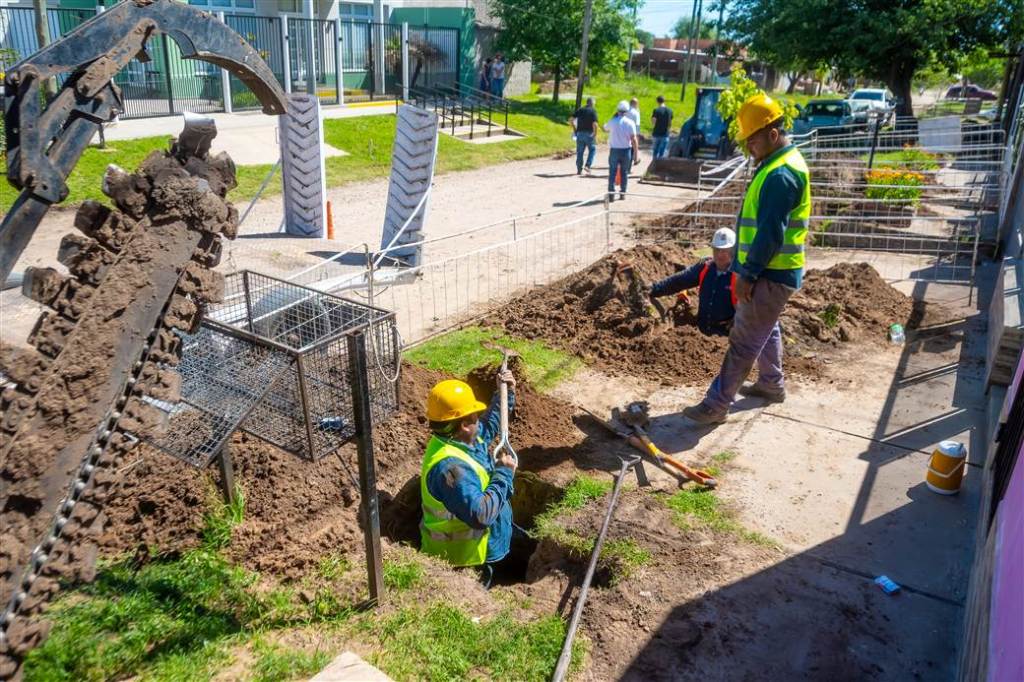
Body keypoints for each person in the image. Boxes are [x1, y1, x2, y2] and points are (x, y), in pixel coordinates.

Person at [683, 93, 811, 425]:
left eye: (752, 139)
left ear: (772, 133)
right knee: (766, 329)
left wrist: (747, 275)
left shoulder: (781, 174)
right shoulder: (776, 164)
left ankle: (715, 405)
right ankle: (771, 384)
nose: (748, 147)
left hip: (769, 273)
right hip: (772, 271)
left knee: (743, 341)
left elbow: (770, 233)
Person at [420, 371, 518, 587]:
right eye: (474, 416)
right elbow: (480, 515)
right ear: (464, 424)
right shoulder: (451, 469)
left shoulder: (463, 439)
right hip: (466, 563)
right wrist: (503, 474)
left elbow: (489, 425)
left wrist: (506, 394)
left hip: (486, 543)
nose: (478, 421)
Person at [649, 228, 738, 336]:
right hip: (701, 333)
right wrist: (653, 289)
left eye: (724, 250)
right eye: (717, 249)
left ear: (733, 250)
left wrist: (739, 320)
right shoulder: (705, 267)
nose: (719, 254)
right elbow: (679, 281)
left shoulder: (740, 275)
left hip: (726, 337)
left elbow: (752, 306)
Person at [603, 100, 638, 200]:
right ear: (627, 112)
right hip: (626, 150)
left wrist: (612, 118)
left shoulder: (613, 121)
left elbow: (605, 128)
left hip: (614, 150)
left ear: (617, 110)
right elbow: (634, 139)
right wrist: (636, 154)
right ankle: (623, 192)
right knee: (624, 172)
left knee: (612, 171)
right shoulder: (630, 123)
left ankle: (611, 193)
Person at [571, 97, 599, 175]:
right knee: (592, 150)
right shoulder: (593, 111)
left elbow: (571, 119)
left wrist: (574, 128)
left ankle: (579, 169)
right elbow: (595, 124)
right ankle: (588, 165)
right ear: (592, 103)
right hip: (589, 134)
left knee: (580, 152)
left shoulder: (580, 110)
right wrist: (595, 134)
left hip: (579, 133)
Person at [650, 95, 673, 159]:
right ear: (664, 101)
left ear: (657, 101)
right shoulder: (670, 111)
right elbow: (670, 123)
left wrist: (653, 125)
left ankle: (654, 163)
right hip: (665, 133)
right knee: (662, 152)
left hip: (656, 133)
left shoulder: (656, 110)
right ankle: (660, 164)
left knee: (655, 150)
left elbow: (653, 121)